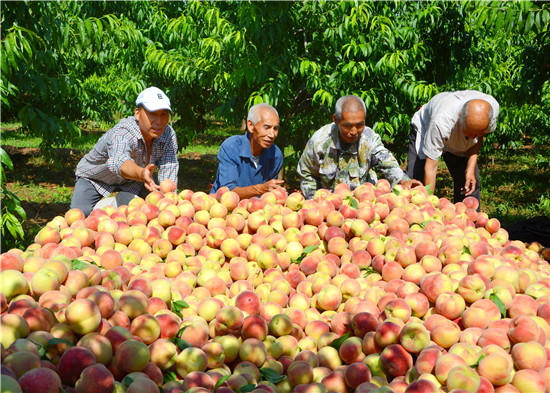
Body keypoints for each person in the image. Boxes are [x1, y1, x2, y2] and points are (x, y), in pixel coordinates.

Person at [70, 86, 179, 216]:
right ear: (137, 113)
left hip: (136, 181)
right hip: (96, 177)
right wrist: (141, 173)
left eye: (164, 114)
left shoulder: (167, 134)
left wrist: (170, 202)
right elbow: (118, 160)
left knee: (155, 212)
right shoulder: (123, 131)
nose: (159, 121)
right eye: (152, 114)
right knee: (79, 217)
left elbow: (169, 169)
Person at [297, 95, 421, 199]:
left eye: (359, 125)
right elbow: (307, 174)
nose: (354, 131)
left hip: (364, 203)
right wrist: (315, 201)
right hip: (330, 205)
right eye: (347, 125)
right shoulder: (320, 141)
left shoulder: (369, 139)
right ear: (336, 120)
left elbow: (387, 162)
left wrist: (403, 180)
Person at [406, 90, 499, 204]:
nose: (472, 138)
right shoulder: (441, 122)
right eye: (469, 132)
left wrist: (469, 169)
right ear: (460, 117)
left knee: (468, 185)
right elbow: (431, 167)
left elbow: (478, 139)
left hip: (457, 134)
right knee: (415, 184)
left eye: (477, 134)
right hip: (426, 130)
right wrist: (428, 204)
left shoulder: (490, 111)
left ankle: (468, 220)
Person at [210, 103, 284, 198]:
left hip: (256, 210)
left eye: (276, 128)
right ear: (251, 126)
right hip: (223, 208)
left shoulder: (276, 155)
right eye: (266, 127)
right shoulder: (231, 147)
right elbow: (227, 192)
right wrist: (261, 189)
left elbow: (269, 194)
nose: (272, 134)